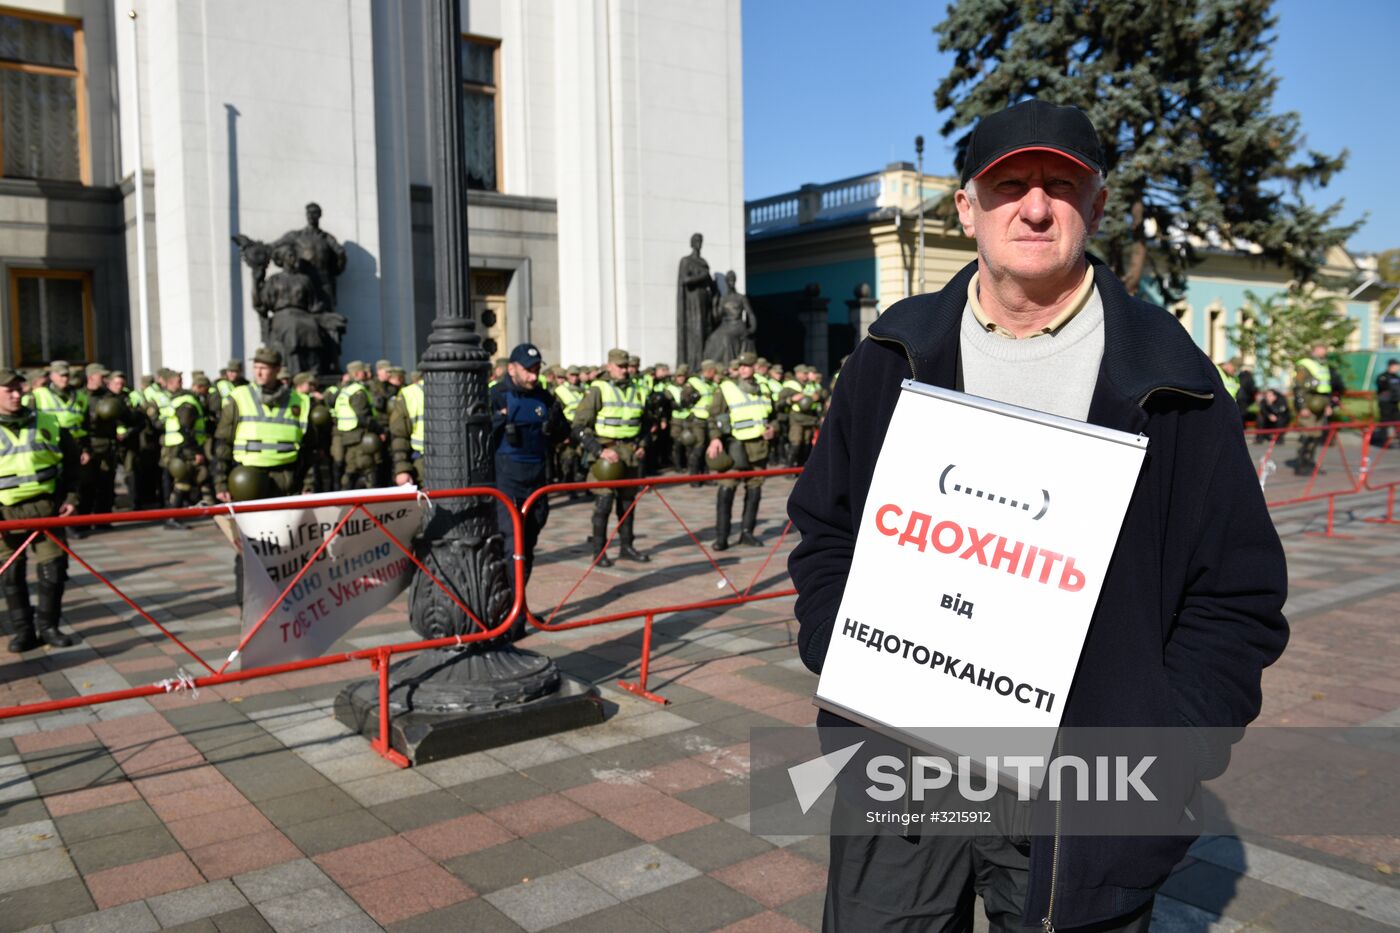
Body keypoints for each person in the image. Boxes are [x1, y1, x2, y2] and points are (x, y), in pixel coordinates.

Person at [788, 100, 1288, 932]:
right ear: (966, 208)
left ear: (1095, 207)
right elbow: (827, 529)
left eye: (1061, 184)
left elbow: (1235, 598)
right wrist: (845, 647)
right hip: (905, 772)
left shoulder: (1174, 382)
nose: (1033, 205)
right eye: (1008, 183)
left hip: (1082, 794)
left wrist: (1168, 750)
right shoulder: (892, 356)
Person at [213, 347, 311, 601]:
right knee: (248, 546)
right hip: (248, 482)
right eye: (255, 365)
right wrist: (221, 480)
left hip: (285, 481)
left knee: (285, 545)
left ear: (277, 370)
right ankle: (248, 602)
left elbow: (309, 450)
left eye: (264, 367)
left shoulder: (299, 401)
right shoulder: (240, 397)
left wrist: (308, 485)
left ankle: (282, 599)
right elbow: (223, 441)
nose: (258, 371)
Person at [0, 368, 81, 651]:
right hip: (4, 513)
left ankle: (48, 627)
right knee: (11, 573)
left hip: (47, 509)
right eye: (7, 389)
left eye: (18, 388)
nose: (15, 394)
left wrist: (71, 495)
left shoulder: (47, 421)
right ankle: (23, 632)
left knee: (54, 570)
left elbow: (72, 461)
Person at [490, 343, 568, 632]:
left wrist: (556, 427)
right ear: (512, 368)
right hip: (507, 479)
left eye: (537, 370)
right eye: (528, 370)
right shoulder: (496, 395)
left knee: (529, 546)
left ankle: (519, 605)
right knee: (512, 546)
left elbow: (564, 431)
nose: (534, 376)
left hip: (537, 480)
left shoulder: (544, 397)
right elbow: (480, 438)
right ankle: (509, 615)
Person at [573, 348, 652, 566]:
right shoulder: (598, 389)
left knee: (627, 503)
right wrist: (598, 450)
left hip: (630, 453)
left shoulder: (638, 389)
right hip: (605, 453)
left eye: (628, 366)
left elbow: (647, 422)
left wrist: (642, 443)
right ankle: (599, 552)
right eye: (621, 366)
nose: (625, 371)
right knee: (604, 502)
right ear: (609, 366)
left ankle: (627, 546)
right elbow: (579, 425)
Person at [705, 351, 776, 550]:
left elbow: (774, 415)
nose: (744, 369)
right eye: (741, 366)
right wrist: (715, 438)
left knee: (754, 490)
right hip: (734, 446)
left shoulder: (764, 387)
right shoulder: (726, 388)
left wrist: (773, 428)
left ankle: (747, 532)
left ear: (755, 367)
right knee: (727, 489)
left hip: (758, 447)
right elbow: (713, 417)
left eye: (748, 366)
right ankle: (722, 536)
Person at [160, 373, 213, 526]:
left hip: (177, 446)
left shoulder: (179, 399)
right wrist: (195, 451)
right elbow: (186, 428)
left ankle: (208, 510)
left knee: (199, 476)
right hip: (184, 447)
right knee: (183, 480)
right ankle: (172, 517)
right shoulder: (187, 402)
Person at [1291, 344, 1342, 476]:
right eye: (1321, 349)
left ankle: (1310, 462)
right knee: (1307, 435)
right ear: (1314, 350)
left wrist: (1328, 405)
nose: (1323, 352)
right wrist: (1302, 407)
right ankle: (1302, 464)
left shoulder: (1322, 365)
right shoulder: (1304, 365)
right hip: (1309, 405)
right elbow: (1299, 387)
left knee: (1316, 436)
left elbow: (1326, 388)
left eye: (1324, 350)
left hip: (1320, 405)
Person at [333, 361, 381, 490]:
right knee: (367, 467)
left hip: (347, 436)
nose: (367, 374)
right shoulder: (358, 392)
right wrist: (378, 429)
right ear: (357, 373)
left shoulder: (345, 390)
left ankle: (344, 498)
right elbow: (363, 416)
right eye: (364, 372)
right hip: (359, 436)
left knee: (351, 468)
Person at [390, 371, 426, 487]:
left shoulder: (475, 387)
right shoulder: (410, 394)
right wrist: (402, 469)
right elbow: (399, 436)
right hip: (424, 464)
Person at [1373, 359, 1399, 448]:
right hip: (1385, 403)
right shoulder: (1383, 377)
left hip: (1394, 403)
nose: (1397, 368)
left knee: (1397, 421)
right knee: (1385, 422)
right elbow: (1382, 387)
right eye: (1396, 366)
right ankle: (1383, 442)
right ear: (1391, 366)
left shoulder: (1396, 377)